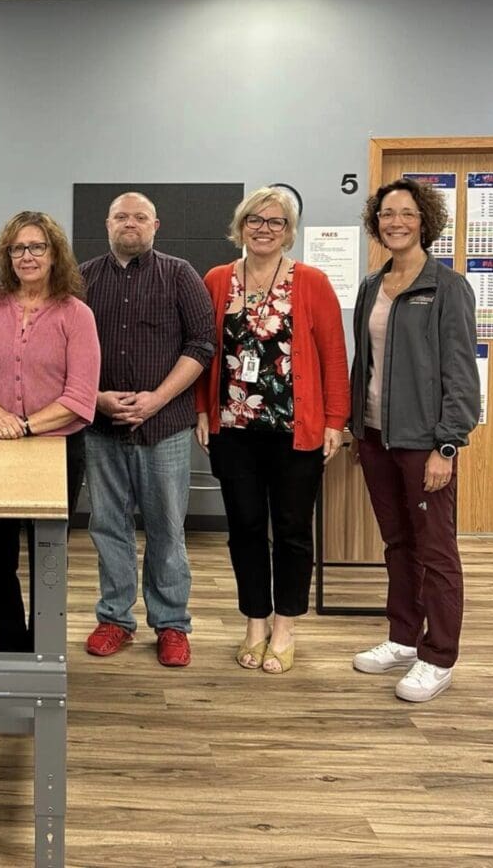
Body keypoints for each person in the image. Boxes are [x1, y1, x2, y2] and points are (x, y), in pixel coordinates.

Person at [195, 186, 350, 675]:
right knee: (243, 528)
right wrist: (203, 410)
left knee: (291, 529)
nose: (264, 228)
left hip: (295, 430)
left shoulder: (312, 282)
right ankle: (254, 621)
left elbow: (332, 355)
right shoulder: (217, 280)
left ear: (290, 231)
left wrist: (335, 422)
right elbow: (203, 353)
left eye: (276, 221)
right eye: (255, 220)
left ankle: (285, 624)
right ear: (240, 227)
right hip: (234, 428)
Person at [349, 178, 478, 703]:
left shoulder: (447, 288)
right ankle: (403, 638)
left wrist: (447, 445)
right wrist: (355, 429)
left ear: (424, 220)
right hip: (376, 438)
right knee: (398, 543)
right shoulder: (370, 286)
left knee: (436, 551)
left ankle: (438, 656)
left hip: (425, 443)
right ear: (375, 221)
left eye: (405, 213)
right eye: (386, 214)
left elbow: (461, 374)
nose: (395, 222)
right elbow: (366, 366)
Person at [81, 192, 214, 668]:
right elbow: (62, 352)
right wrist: (95, 397)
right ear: (108, 223)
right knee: (108, 526)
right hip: (101, 427)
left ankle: (172, 624)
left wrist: (157, 399)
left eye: (139, 217)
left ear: (156, 224)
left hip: (167, 428)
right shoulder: (82, 279)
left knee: (167, 530)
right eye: (122, 216)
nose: (130, 223)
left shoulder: (181, 275)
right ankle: (115, 619)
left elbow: (202, 345)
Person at [0, 211, 99, 653]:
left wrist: (19, 427)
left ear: (54, 254)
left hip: (54, 453)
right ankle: (10, 650)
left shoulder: (76, 314)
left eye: (37, 247)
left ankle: (44, 651)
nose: (27, 256)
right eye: (18, 248)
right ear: (7, 255)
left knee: (47, 559)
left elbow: (80, 397)